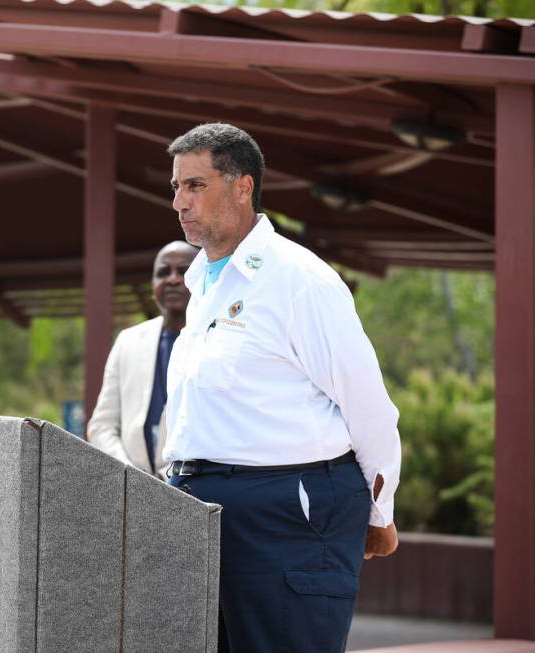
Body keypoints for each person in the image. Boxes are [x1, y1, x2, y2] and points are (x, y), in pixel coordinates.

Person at [163, 123, 401, 652]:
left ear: (242, 187)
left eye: (195, 186)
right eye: (176, 188)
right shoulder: (203, 281)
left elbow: (370, 410)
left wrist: (379, 515)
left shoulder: (300, 280)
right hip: (197, 510)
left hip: (286, 515)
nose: (180, 202)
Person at [86, 240, 199, 476]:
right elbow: (102, 426)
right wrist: (131, 477)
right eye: (163, 272)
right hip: (133, 491)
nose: (173, 279)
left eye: (184, 271)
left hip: (196, 490)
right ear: (152, 285)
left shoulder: (218, 338)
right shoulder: (128, 341)